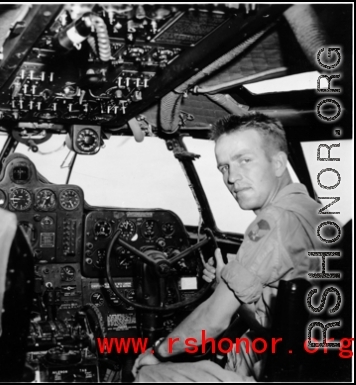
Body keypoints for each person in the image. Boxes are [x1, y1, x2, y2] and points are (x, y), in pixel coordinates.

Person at [132, 112, 323, 382]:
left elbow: (213, 319)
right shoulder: (313, 212)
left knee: (149, 374)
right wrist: (225, 281)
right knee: (241, 346)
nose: (232, 178)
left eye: (245, 160)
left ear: (279, 163)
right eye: (224, 167)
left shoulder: (273, 221)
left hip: (297, 368)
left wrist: (159, 352)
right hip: (315, 361)